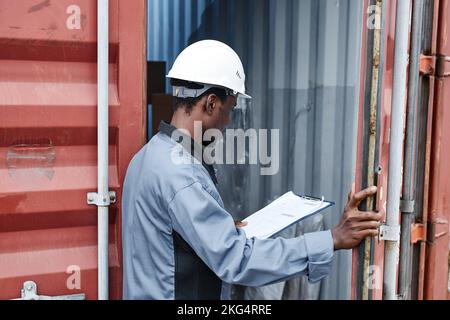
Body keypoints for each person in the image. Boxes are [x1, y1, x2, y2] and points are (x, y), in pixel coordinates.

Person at [122, 40, 383, 300]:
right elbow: (236, 261)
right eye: (229, 110)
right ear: (211, 103)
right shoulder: (181, 176)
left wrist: (215, 229)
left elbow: (165, 242)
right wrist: (332, 239)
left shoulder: (147, 157)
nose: (227, 123)